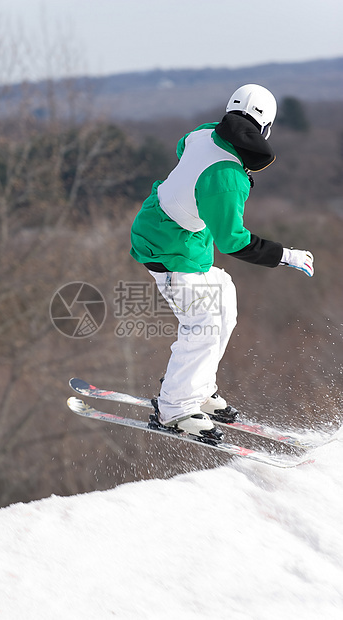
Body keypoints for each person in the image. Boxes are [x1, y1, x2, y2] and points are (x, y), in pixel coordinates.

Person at [130, 84, 314, 442]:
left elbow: (183, 144)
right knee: (203, 322)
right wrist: (285, 255)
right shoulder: (228, 178)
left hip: (181, 235)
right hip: (166, 246)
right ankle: (174, 408)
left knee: (223, 296)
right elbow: (233, 241)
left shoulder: (202, 134)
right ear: (266, 129)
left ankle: (196, 386)